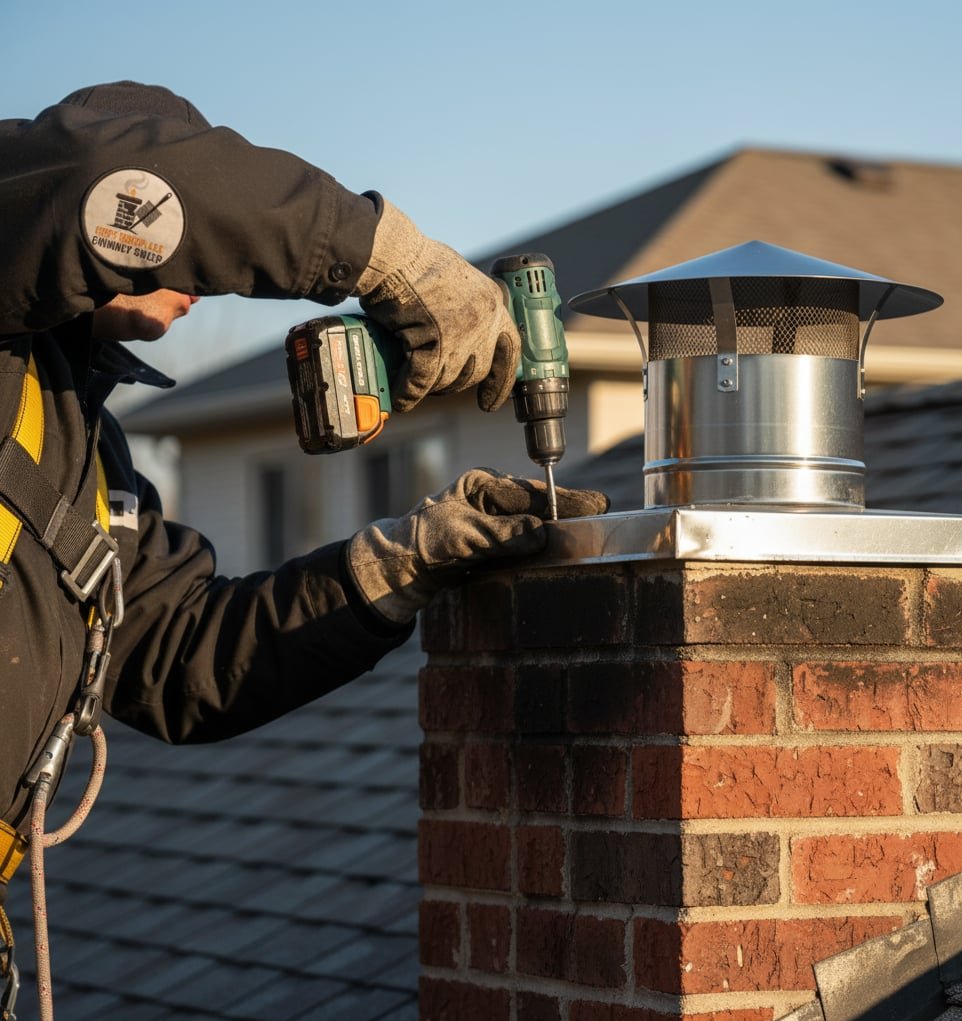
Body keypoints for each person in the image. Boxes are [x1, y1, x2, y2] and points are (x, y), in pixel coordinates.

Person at [0, 83, 607, 910]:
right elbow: (119, 176)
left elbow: (184, 657)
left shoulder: (87, 452)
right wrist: (392, 259)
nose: (203, 279)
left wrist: (399, 562)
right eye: (192, 249)